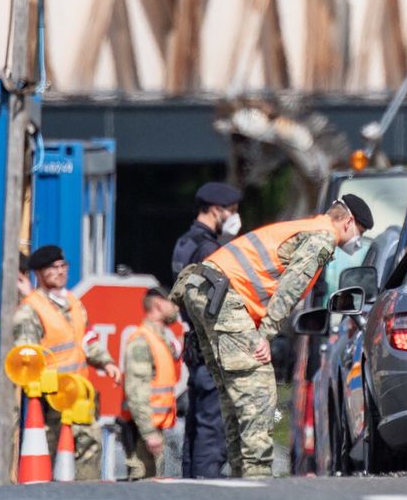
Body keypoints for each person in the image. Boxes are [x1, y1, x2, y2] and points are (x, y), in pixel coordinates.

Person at [170, 195, 374, 478]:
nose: (358, 241)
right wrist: (264, 335)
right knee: (259, 387)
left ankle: (241, 469)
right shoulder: (322, 237)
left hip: (204, 288)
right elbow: (289, 289)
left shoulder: (306, 226)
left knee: (233, 390)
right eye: (360, 233)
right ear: (349, 221)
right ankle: (256, 473)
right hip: (223, 295)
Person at [12, 245, 121, 480]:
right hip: (49, 400)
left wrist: (106, 363)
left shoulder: (73, 302)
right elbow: (26, 359)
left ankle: (85, 499)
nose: (60, 272)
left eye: (63, 266)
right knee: (48, 455)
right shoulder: (29, 311)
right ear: (39, 273)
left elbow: (87, 339)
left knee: (90, 446)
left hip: (78, 392)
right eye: (53, 268)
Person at [171, 181, 240, 479]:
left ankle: (191, 482)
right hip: (211, 345)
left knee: (196, 426)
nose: (236, 217)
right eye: (233, 211)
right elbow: (217, 302)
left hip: (194, 346)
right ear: (216, 210)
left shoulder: (185, 242)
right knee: (213, 427)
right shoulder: (209, 250)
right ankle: (205, 486)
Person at [120, 288, 181, 481]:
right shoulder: (141, 340)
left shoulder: (159, 338)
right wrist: (149, 433)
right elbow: (136, 391)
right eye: (172, 302)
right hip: (142, 434)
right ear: (158, 304)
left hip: (153, 430)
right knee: (142, 490)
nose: (176, 308)